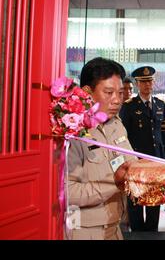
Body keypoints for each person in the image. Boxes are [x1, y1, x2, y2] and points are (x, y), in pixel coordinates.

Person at [67, 57, 136, 240]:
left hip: (115, 227)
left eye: (120, 93)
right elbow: (68, 192)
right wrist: (116, 182)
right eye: (108, 92)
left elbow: (132, 164)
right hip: (84, 231)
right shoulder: (74, 133)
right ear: (87, 92)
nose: (116, 100)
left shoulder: (116, 125)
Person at [119, 66, 165, 232]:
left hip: (156, 164)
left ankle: (152, 235)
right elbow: (123, 137)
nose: (147, 85)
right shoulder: (129, 106)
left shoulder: (161, 105)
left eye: (150, 81)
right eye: (143, 82)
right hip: (136, 164)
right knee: (135, 204)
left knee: (154, 203)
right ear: (137, 83)